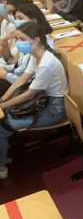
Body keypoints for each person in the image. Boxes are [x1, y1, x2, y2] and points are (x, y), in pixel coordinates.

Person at [0, 22, 67, 180]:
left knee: (2, 127)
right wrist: (3, 99)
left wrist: (2, 105)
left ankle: (1, 166)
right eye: (17, 39)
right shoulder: (35, 55)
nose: (18, 43)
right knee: (6, 115)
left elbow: (29, 94)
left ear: (36, 40)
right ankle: (4, 153)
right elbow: (22, 80)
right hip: (42, 99)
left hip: (55, 108)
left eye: (22, 39)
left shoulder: (46, 63)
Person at [0, 2, 55, 99]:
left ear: (34, 21)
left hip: (24, 89)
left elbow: (28, 82)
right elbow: (16, 64)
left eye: (21, 18)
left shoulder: (40, 45)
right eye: (16, 18)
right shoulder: (25, 38)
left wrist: (6, 75)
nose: (16, 22)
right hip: (15, 81)